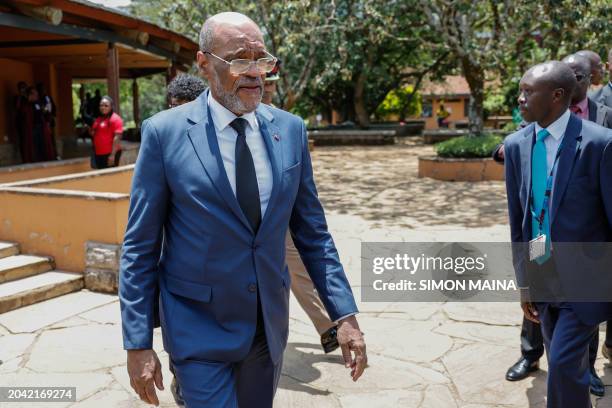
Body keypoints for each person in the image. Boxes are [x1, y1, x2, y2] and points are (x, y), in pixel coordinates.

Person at [120, 12, 366, 408]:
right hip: (196, 326)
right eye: (239, 59)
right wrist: (138, 342)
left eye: (262, 60)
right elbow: (140, 247)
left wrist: (344, 314)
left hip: (266, 328)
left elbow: (313, 234)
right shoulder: (164, 133)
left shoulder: (290, 130)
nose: (255, 73)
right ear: (204, 63)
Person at [504, 60, 612, 408]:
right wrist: (525, 282)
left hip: (587, 279)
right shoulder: (518, 145)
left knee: (564, 364)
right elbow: (519, 219)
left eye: (528, 92)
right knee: (566, 366)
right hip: (542, 274)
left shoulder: (600, 144)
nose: (519, 98)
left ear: (557, 96)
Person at [89, 96, 123, 169]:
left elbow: (117, 138)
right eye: (101, 105)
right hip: (98, 153)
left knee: (110, 177)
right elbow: (93, 133)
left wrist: (113, 155)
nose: (103, 107)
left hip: (110, 154)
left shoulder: (116, 119)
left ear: (111, 106)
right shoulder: (98, 119)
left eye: (106, 105)